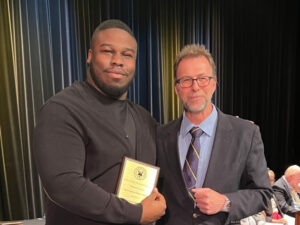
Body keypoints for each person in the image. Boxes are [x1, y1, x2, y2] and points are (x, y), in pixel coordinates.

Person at [33, 19, 166, 225]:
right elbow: (64, 184)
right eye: (107, 51)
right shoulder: (62, 109)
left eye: (127, 55)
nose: (118, 61)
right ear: (90, 56)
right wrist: (135, 213)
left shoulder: (144, 118)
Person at [156, 44, 272, 225]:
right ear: (177, 88)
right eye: (186, 80)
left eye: (202, 78)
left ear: (214, 84)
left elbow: (263, 193)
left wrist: (225, 202)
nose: (195, 87)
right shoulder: (160, 135)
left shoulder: (246, 134)